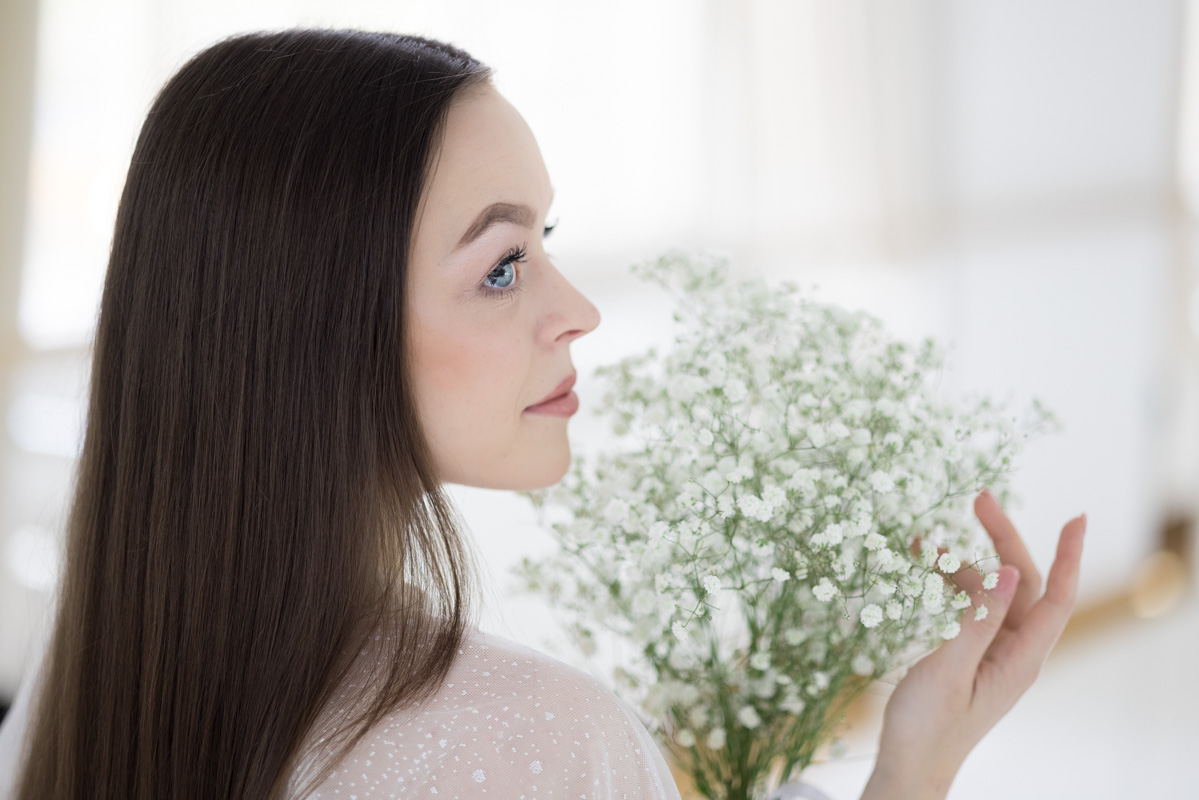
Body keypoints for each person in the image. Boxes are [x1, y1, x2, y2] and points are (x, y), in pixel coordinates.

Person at [0, 28, 1086, 800]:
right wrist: (917, 774)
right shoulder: (544, 742)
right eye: (502, 266)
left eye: (544, 243)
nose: (579, 312)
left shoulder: (96, 674)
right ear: (315, 327)